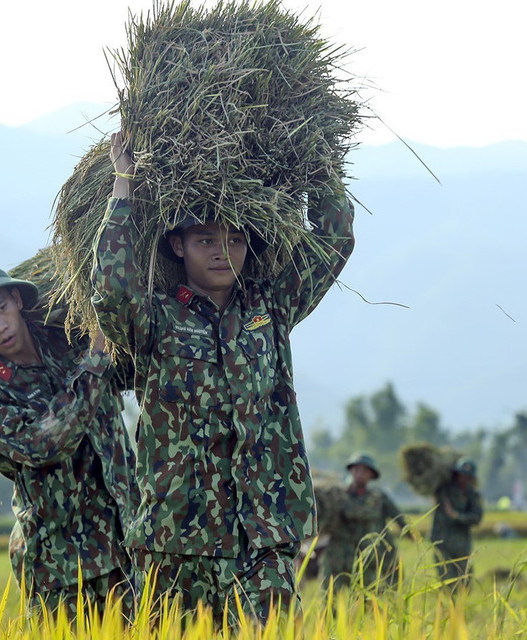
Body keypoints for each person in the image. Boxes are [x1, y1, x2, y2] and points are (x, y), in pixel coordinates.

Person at [91, 132, 355, 625]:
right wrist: (123, 185)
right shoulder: (154, 321)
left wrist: (315, 157)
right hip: (176, 541)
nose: (222, 252)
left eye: (234, 239)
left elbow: (336, 237)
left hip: (265, 532)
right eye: (206, 239)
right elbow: (110, 292)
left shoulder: (271, 308)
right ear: (178, 245)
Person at [0, 262, 137, 618]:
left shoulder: (69, 337)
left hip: (131, 541)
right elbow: (45, 444)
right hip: (61, 565)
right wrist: (96, 361)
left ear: (16, 300)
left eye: (1, 309)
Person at [319, 453, 408, 591]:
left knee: (365, 598)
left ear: (371, 475)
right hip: (338, 555)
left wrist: (411, 534)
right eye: (356, 469)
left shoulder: (378, 497)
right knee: (330, 599)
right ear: (351, 471)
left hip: (366, 556)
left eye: (364, 470)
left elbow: (399, 518)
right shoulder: (336, 495)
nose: (359, 474)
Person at [430, 457, 483, 590]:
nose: (463, 479)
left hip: (462, 544)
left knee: (464, 580)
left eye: (467, 476)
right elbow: (431, 486)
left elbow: (476, 517)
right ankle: (447, 608)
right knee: (446, 579)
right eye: (461, 475)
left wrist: (457, 516)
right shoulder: (444, 490)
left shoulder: (473, 495)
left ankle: (461, 608)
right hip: (442, 541)